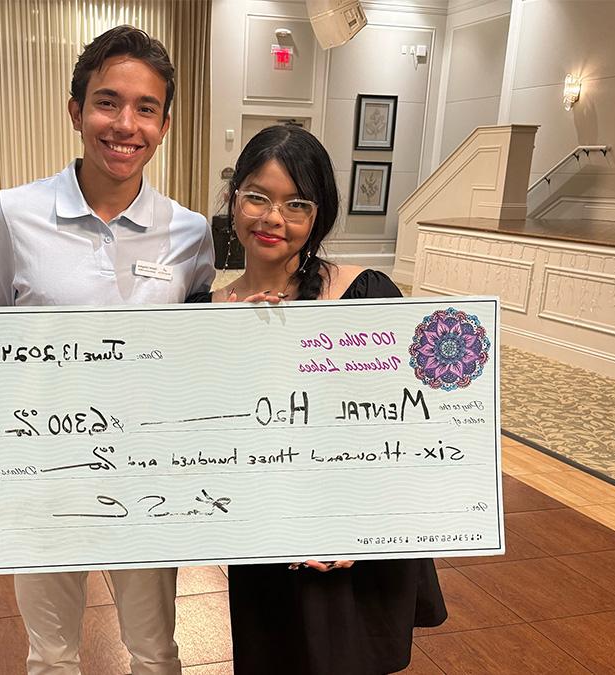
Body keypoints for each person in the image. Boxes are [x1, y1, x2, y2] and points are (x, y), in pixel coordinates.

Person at [0, 26, 214, 675]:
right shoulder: (15, 212)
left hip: (147, 478)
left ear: (166, 123)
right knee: (53, 653)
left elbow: (204, 351)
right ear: (76, 111)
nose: (126, 124)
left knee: (154, 650)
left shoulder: (189, 232)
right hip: (44, 470)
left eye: (146, 108)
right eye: (107, 102)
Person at [188, 124, 448, 674]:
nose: (273, 218)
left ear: (319, 215)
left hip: (351, 541)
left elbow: (410, 425)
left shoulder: (367, 295)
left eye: (296, 204)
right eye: (257, 196)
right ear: (233, 201)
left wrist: (360, 525)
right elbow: (196, 434)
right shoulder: (203, 308)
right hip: (265, 539)